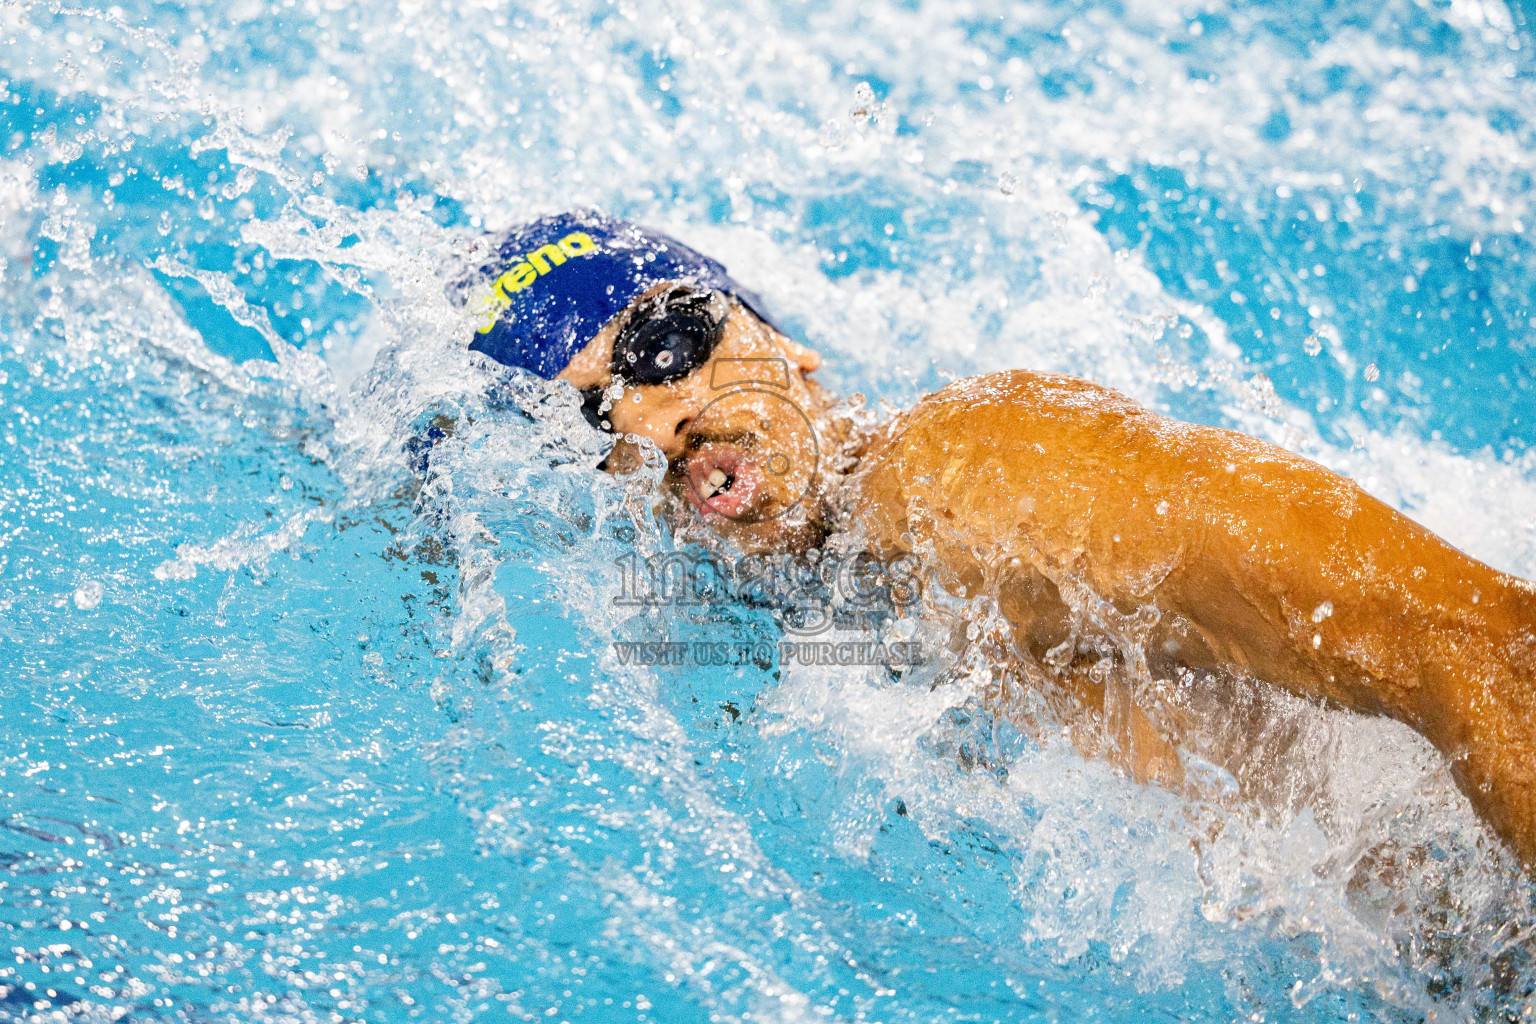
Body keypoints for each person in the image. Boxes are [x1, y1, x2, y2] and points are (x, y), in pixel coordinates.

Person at [456, 210, 1536, 865]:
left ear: (780, 339)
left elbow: (1479, 642)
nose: (655, 416)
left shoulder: (966, 473)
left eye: (664, 341)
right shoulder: (814, 621)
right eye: (588, 421)